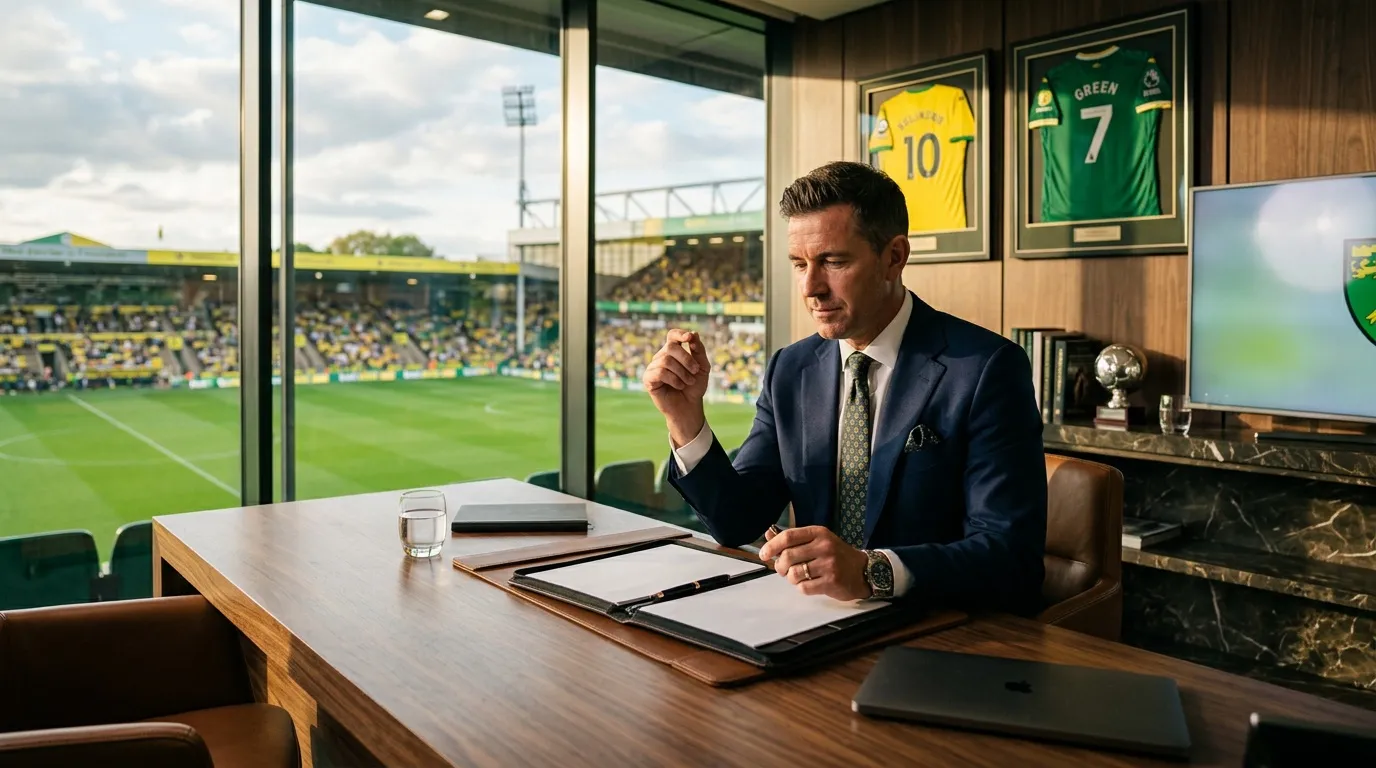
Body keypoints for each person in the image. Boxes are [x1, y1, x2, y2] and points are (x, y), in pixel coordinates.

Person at [644, 161, 1046, 615]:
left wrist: (870, 570)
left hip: (936, 633)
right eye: (799, 264)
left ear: (894, 257)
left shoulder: (987, 368)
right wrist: (684, 417)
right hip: (810, 626)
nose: (811, 287)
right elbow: (738, 520)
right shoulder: (790, 368)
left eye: (833, 262)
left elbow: (1012, 557)